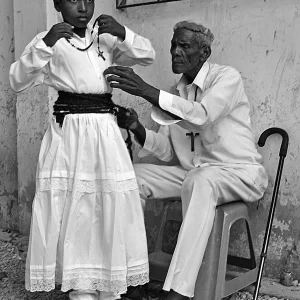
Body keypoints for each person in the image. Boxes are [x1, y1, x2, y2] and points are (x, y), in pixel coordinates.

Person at [103, 21, 269, 300]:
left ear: (204, 52)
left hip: (238, 173)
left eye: (184, 46)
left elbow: (201, 115)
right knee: (130, 176)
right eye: (173, 45)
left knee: (200, 180)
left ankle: (178, 291)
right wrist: (136, 128)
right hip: (195, 174)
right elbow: (168, 151)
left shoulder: (227, 78)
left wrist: (148, 92)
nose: (176, 52)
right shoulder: (175, 93)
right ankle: (134, 278)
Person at [9, 1, 156, 299]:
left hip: (105, 132)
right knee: (74, 207)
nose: (83, 7)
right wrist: (47, 42)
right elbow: (17, 79)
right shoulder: (50, 41)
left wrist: (123, 32)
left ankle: (110, 285)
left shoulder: (103, 38)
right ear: (58, 4)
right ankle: (80, 286)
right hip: (70, 135)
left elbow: (147, 55)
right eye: (73, 0)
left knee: (107, 202)